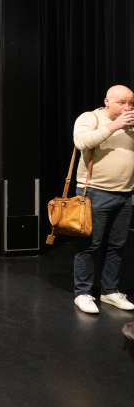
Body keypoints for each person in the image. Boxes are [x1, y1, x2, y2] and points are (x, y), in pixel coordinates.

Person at [71, 85, 134, 314]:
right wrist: (115, 125)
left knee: (117, 246)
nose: (127, 107)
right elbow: (82, 142)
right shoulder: (91, 118)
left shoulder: (132, 122)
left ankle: (110, 291)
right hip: (94, 192)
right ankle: (83, 293)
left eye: (131, 103)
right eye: (121, 103)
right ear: (107, 101)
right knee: (90, 245)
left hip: (125, 193)